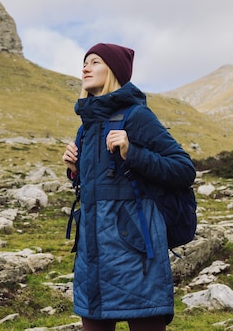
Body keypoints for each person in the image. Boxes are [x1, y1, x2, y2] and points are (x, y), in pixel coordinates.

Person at [62, 43, 196, 331]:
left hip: (135, 249)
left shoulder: (136, 116)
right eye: (84, 62)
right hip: (92, 250)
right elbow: (99, 183)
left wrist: (131, 151)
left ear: (113, 71)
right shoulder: (86, 126)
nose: (85, 67)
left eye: (95, 62)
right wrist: (74, 171)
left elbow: (184, 169)